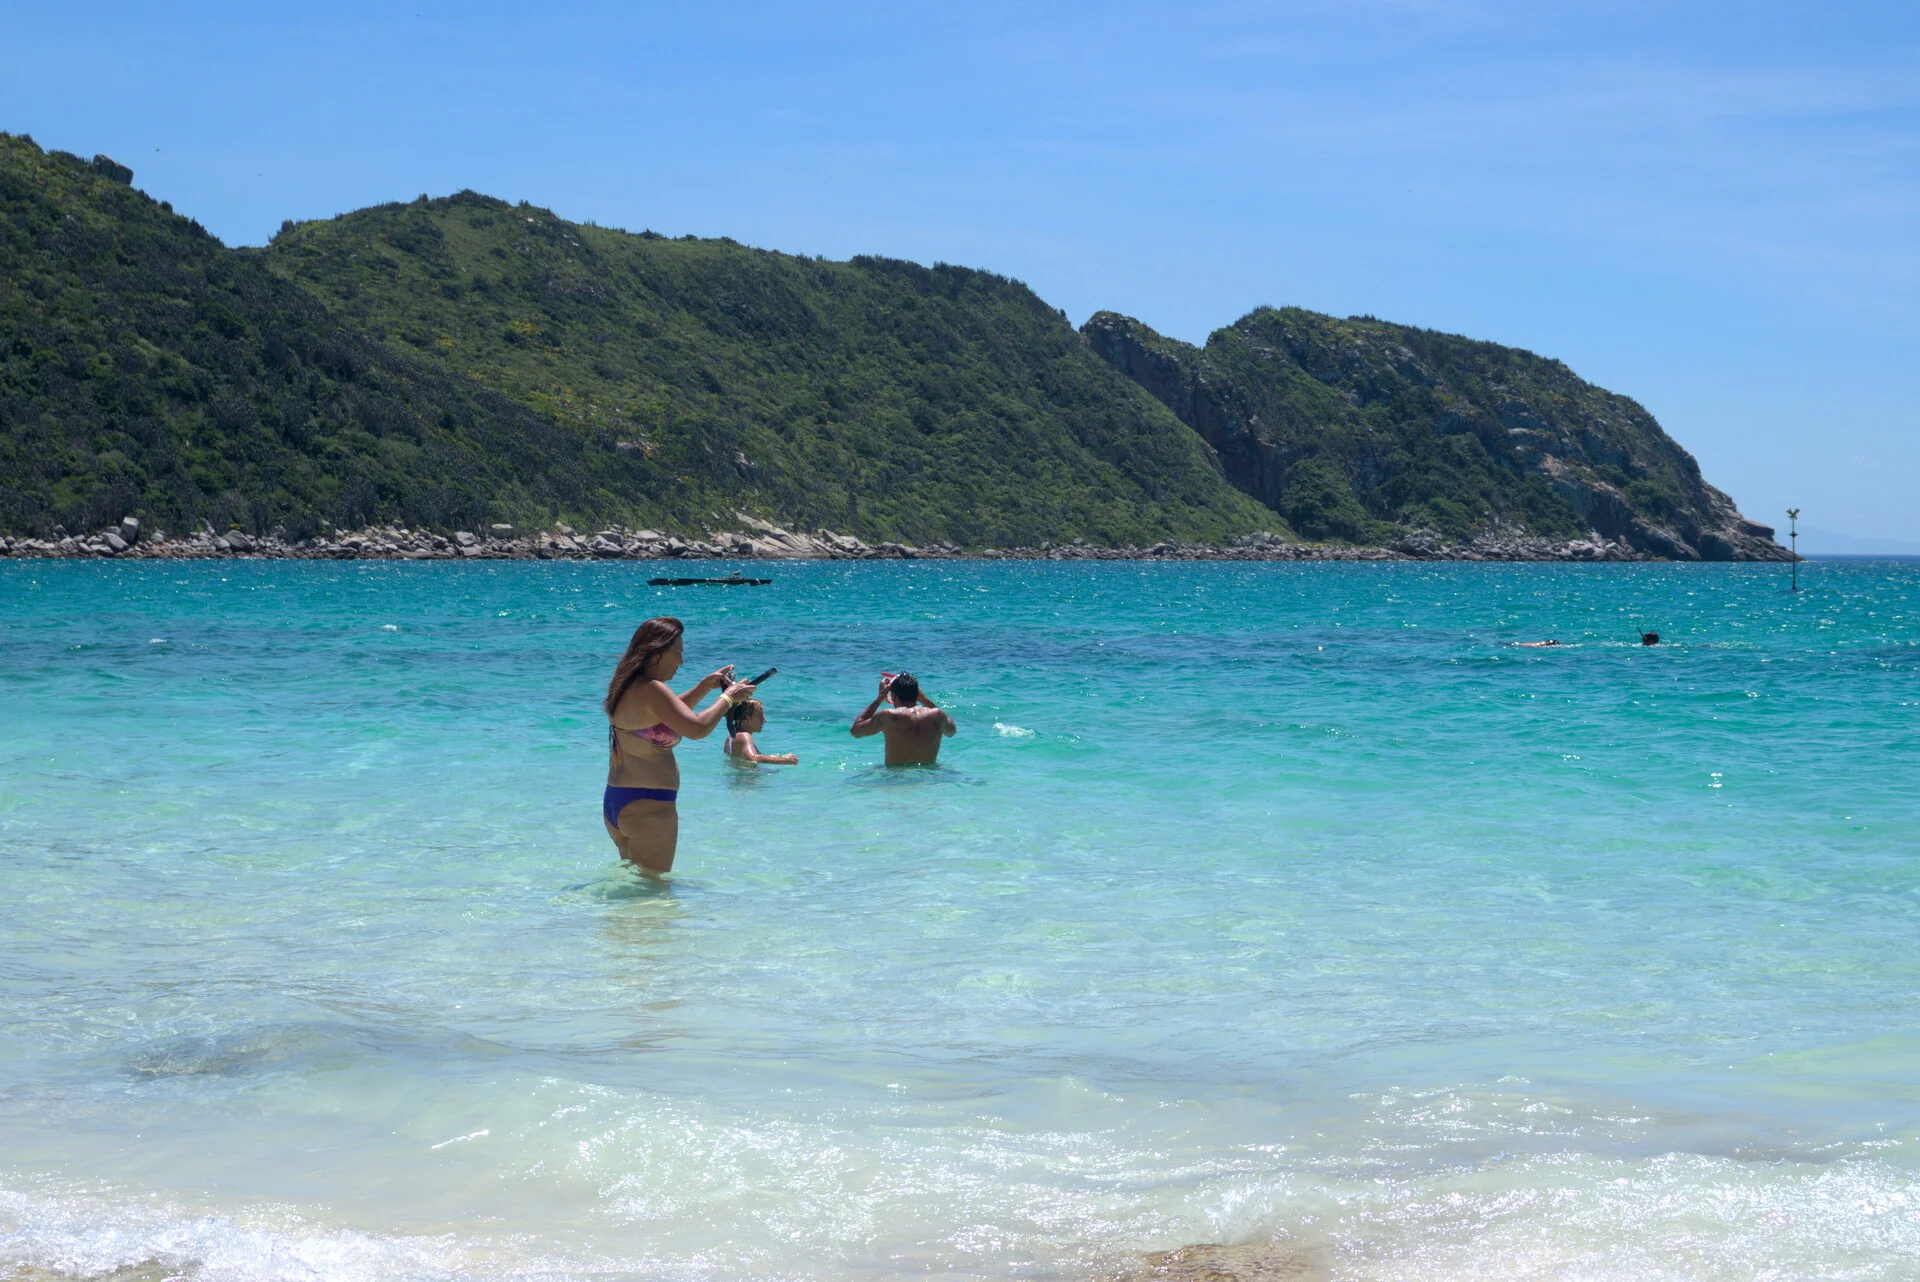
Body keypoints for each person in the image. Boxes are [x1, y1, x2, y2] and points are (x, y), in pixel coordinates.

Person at [602, 616, 756, 874]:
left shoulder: (627, 685)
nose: (681, 662)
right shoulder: (653, 689)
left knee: (634, 892)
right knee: (653, 895)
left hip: (619, 801)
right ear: (658, 653)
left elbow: (667, 714)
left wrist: (705, 686)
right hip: (650, 805)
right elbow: (696, 728)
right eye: (678, 653)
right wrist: (727, 699)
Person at [850, 672, 956, 765]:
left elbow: (856, 731)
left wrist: (880, 698)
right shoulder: (938, 715)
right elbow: (951, 732)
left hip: (897, 776)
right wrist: (924, 700)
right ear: (917, 695)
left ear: (893, 696)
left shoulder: (888, 716)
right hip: (928, 776)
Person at [723, 699, 799, 767]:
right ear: (747, 717)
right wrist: (784, 760)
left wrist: (779, 757)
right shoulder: (744, 736)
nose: (764, 720)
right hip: (747, 781)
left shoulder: (730, 737)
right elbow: (753, 758)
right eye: (760, 715)